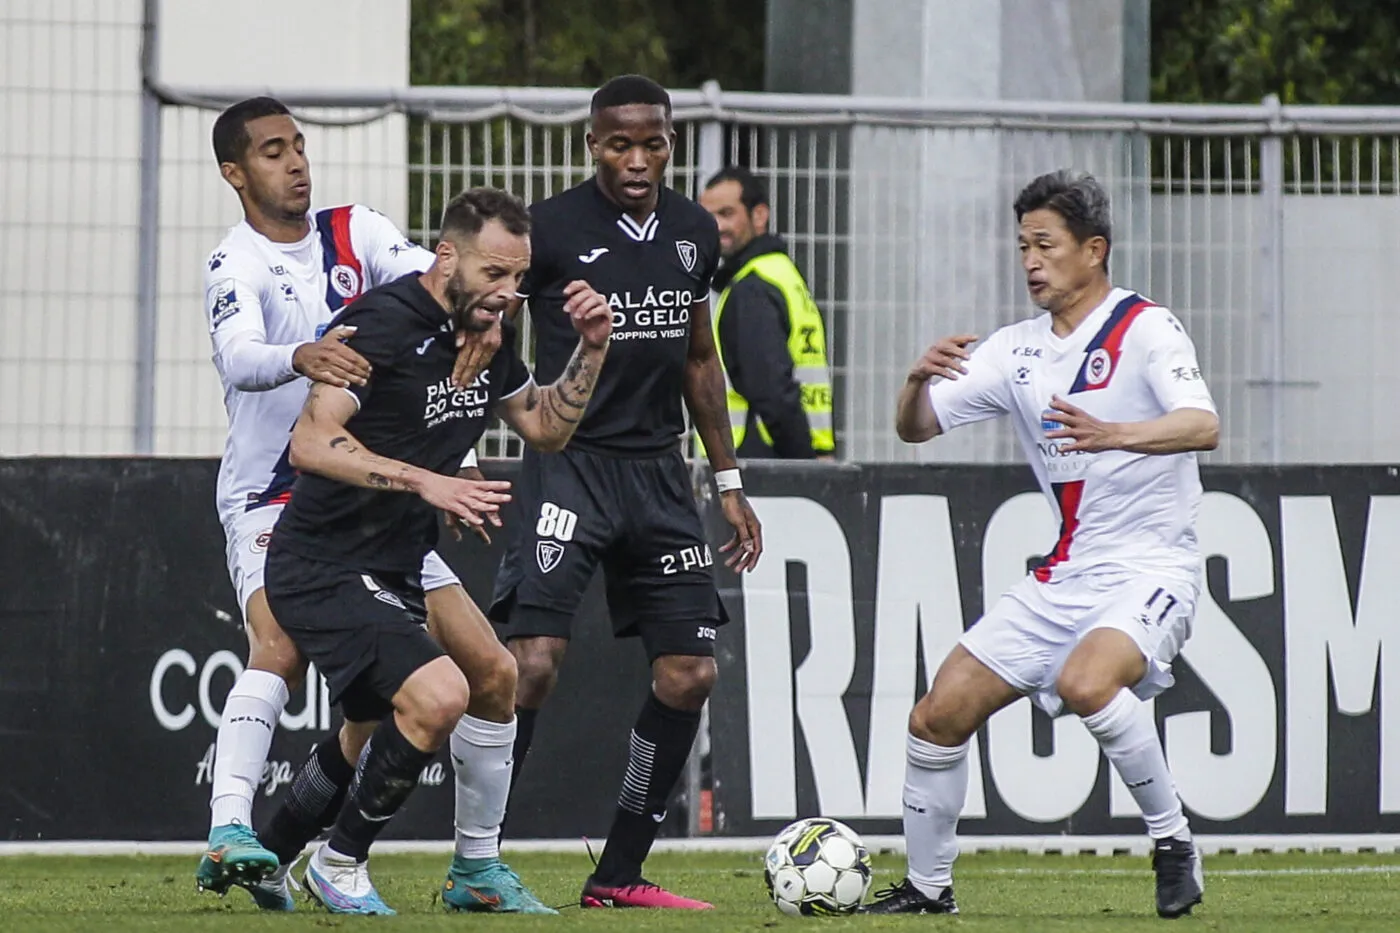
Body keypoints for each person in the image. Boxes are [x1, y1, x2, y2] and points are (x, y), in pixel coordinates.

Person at [196, 97, 529, 912]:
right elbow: (239, 359)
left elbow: (442, 277)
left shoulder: (357, 231)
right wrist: (298, 355)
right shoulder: (231, 263)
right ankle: (230, 826)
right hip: (279, 492)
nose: (297, 163)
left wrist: (460, 437)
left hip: (382, 495)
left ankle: (472, 866)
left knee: (486, 671)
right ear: (235, 173)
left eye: (300, 146)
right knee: (278, 644)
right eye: (273, 152)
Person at [869, 170, 1217, 919]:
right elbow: (917, 427)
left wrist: (1115, 432)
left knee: (1090, 681)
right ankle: (929, 890)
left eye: (1045, 244)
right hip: (1067, 575)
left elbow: (1203, 424)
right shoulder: (1015, 349)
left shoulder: (1146, 327)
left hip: (1153, 567)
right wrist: (912, 380)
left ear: (1094, 250)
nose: (1030, 260)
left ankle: (1172, 838)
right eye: (1022, 244)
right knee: (937, 713)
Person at [263, 186, 612, 914]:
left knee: (491, 675)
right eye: (494, 275)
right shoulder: (381, 325)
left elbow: (546, 427)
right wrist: (428, 480)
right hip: (323, 559)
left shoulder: (487, 336)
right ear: (446, 256)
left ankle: (466, 869)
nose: (508, 295)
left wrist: (593, 349)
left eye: (519, 280)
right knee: (442, 692)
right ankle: (339, 862)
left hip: (399, 558)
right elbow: (311, 440)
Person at [485, 75, 763, 910]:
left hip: (657, 472)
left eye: (654, 143)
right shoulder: (551, 229)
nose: (638, 160)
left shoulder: (690, 231)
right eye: (619, 143)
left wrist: (729, 480)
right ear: (591, 144)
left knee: (689, 673)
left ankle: (617, 872)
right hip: (569, 464)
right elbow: (486, 334)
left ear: (671, 142)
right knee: (530, 664)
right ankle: (477, 859)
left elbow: (699, 360)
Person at [698, 166, 834, 459]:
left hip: (758, 459)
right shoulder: (782, 274)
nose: (715, 226)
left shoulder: (751, 288)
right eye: (707, 216)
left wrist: (805, 465)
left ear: (759, 215)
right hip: (795, 452)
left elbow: (772, 392)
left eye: (726, 214)